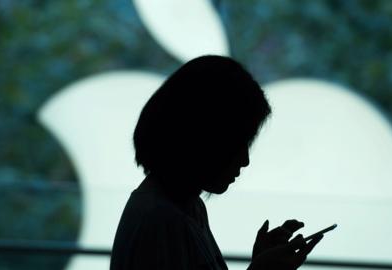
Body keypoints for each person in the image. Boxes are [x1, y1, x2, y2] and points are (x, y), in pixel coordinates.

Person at [110, 55, 323, 270]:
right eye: (237, 144)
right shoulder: (164, 221)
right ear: (205, 138)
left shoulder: (184, 208)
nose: (245, 161)